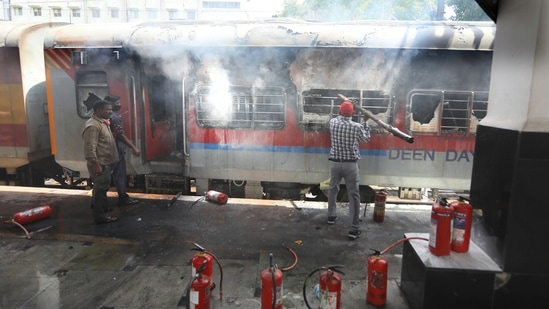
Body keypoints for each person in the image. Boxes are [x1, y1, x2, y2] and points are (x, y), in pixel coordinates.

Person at [327, 100, 371, 240]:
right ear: (353, 113)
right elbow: (366, 139)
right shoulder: (357, 127)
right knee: (354, 195)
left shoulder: (333, 123)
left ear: (339, 112)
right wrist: (365, 122)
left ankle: (331, 216)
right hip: (350, 165)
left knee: (333, 189)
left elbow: (341, 117)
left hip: (335, 163)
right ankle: (353, 229)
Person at [82, 100, 121, 224]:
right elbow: (89, 147)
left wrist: (114, 135)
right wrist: (95, 164)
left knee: (100, 188)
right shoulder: (93, 125)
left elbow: (103, 142)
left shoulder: (103, 123)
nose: (110, 111)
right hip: (100, 163)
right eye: (107, 109)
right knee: (101, 189)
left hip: (104, 162)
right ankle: (101, 215)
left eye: (111, 109)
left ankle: (99, 208)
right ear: (98, 110)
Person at [104, 94, 141, 207]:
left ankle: (98, 201)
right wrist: (133, 147)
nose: (120, 104)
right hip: (116, 149)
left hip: (108, 149)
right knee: (119, 174)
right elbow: (120, 136)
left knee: (105, 177)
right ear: (110, 104)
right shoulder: (114, 117)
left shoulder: (106, 116)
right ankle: (122, 198)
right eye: (117, 103)